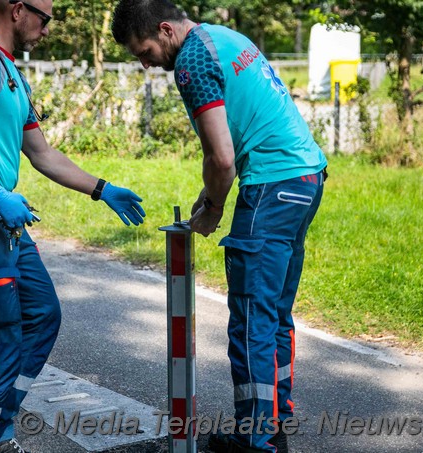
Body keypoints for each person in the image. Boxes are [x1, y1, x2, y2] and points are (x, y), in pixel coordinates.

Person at [0, 1, 146, 452]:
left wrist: (101, 188)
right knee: (1, 333)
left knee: (42, 315)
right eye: (45, 18)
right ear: (16, 9)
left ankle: (0, 427)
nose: (49, 29)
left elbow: (41, 153)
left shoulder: (12, 72)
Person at [112, 2, 327, 452]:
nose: (146, 63)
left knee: (251, 320)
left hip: (271, 185)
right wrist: (212, 193)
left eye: (145, 51)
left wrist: (212, 207)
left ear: (165, 30)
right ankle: (274, 424)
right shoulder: (224, 37)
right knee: (273, 316)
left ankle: (256, 440)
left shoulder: (191, 60)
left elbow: (222, 157)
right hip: (306, 178)